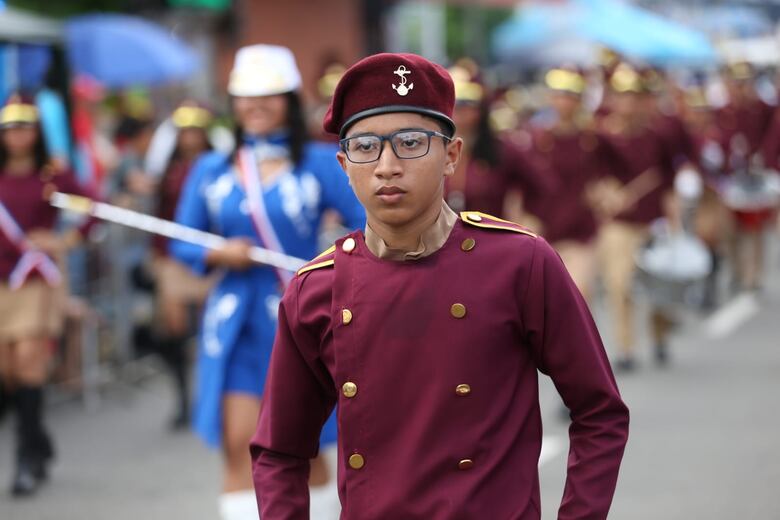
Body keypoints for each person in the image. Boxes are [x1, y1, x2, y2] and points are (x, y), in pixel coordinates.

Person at [251, 52, 629, 519]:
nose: (387, 165)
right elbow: (278, 452)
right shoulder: (316, 290)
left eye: (410, 142)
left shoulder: (519, 263)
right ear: (344, 166)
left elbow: (599, 412)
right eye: (366, 146)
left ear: (451, 155)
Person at [171, 45, 365, 520]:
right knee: (241, 442)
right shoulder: (211, 168)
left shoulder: (322, 163)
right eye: (244, 96)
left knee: (308, 443)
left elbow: (369, 224)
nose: (255, 105)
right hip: (237, 321)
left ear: (289, 98)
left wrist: (336, 263)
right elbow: (182, 239)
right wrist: (218, 252)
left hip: (303, 317)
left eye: (268, 95)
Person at [0, 94, 89, 496]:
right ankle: (40, 442)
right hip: (2, 282)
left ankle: (26, 460)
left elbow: (93, 205)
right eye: (10, 128)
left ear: (36, 132)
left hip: (37, 283)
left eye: (24, 127)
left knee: (29, 363)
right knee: (8, 371)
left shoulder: (52, 176)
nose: (17, 135)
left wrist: (64, 240)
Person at [593, 63, 676, 369]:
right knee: (620, 283)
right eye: (622, 95)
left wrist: (675, 223)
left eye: (634, 96)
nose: (628, 102)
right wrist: (608, 194)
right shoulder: (600, 135)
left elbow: (668, 180)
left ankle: (660, 336)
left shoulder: (658, 136)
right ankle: (626, 347)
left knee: (660, 286)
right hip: (618, 225)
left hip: (652, 221)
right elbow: (591, 177)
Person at [527, 67, 624, 301]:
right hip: (544, 229)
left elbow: (614, 171)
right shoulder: (537, 138)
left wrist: (606, 194)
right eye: (560, 95)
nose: (564, 102)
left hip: (581, 230)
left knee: (578, 292)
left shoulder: (591, 139)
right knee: (543, 301)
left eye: (571, 96)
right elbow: (521, 184)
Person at [150, 101, 215, 430]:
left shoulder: (218, 165)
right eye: (185, 131)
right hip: (173, 256)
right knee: (173, 328)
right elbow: (160, 211)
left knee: (210, 329)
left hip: (210, 256)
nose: (190, 137)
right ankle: (182, 399)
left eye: (195, 130)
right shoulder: (168, 169)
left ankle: (210, 396)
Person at [446, 61, 546, 221]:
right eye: (454, 105)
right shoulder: (433, 149)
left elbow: (542, 187)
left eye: (466, 105)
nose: (459, 113)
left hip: (490, 239)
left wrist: (525, 220)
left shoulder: (503, 150)